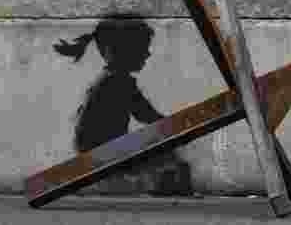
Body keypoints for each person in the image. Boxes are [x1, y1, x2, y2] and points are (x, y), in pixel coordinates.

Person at [54, 16, 192, 194]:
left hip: (94, 148)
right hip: (102, 151)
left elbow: (146, 115)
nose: (148, 53)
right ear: (121, 51)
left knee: (162, 151)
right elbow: (147, 115)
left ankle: (166, 186)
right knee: (167, 153)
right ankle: (171, 188)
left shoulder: (111, 80)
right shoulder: (119, 82)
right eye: (143, 48)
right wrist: (179, 125)